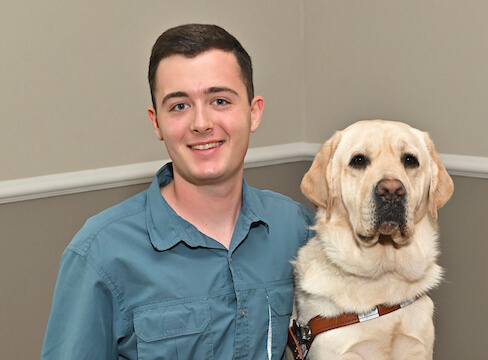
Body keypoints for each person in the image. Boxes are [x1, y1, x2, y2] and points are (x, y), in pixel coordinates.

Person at [41, 23, 314, 359]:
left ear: (254, 112)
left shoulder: (296, 229)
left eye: (219, 100)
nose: (201, 123)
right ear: (156, 122)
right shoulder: (101, 254)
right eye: (179, 106)